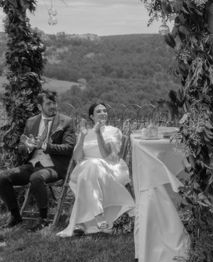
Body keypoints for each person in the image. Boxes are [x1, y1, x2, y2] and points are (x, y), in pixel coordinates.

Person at [0, 90, 75, 229]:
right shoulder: (31, 121)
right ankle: (15, 216)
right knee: (2, 177)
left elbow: (69, 148)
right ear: (40, 107)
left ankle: (44, 219)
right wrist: (27, 147)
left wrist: (46, 146)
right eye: (48, 104)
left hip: (54, 166)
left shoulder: (66, 121)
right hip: (32, 164)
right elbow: (22, 146)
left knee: (36, 178)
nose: (53, 106)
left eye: (54, 103)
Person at [57, 102, 134, 237]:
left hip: (109, 167)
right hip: (86, 169)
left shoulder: (113, 131)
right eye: (98, 111)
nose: (103, 113)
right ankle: (98, 217)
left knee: (91, 167)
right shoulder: (86, 132)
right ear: (91, 116)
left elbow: (106, 155)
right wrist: (81, 137)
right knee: (90, 167)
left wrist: (98, 133)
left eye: (104, 111)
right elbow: (76, 158)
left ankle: (81, 222)